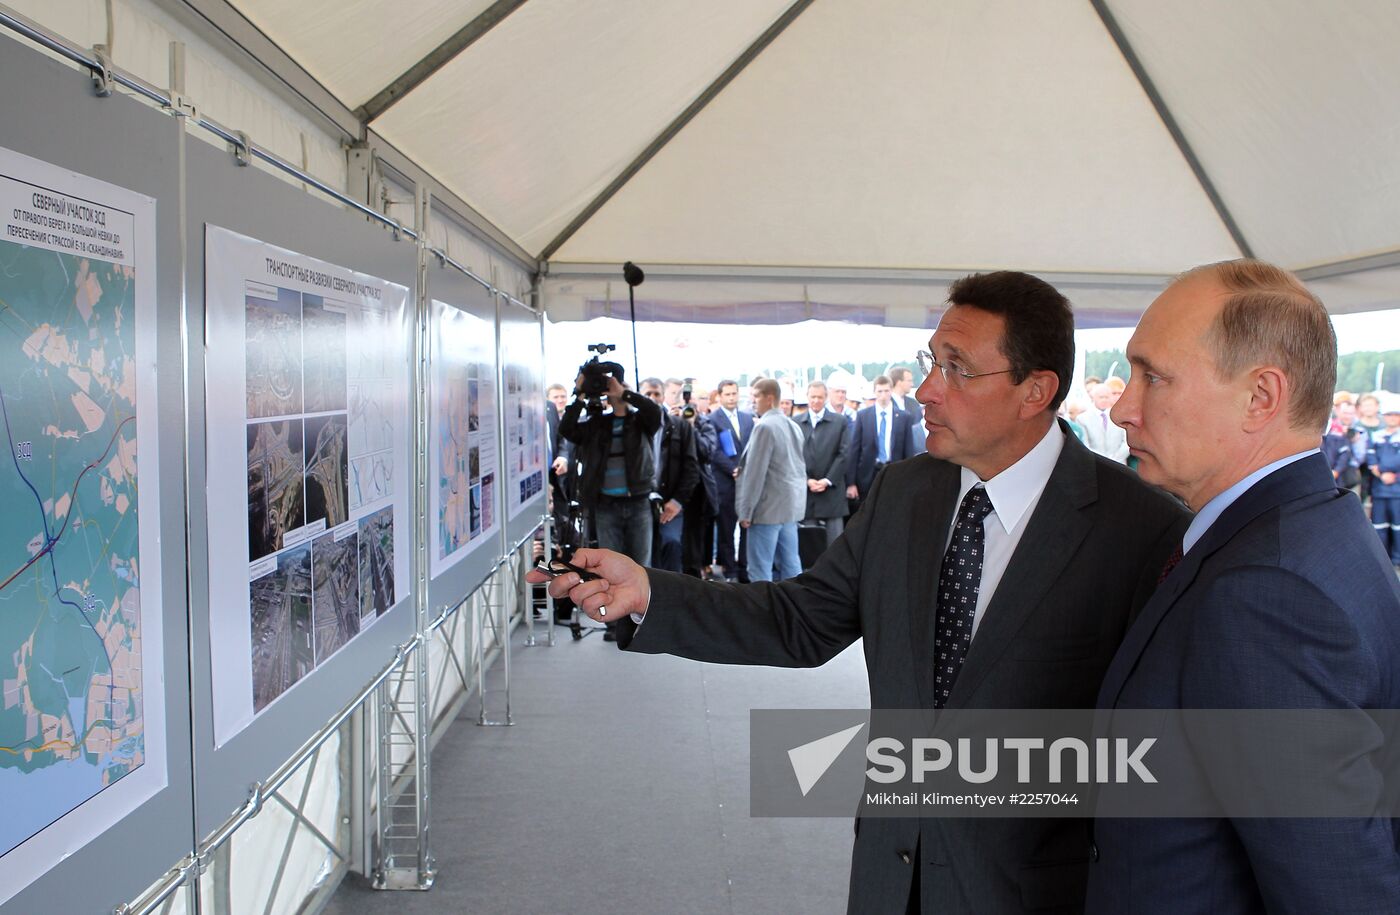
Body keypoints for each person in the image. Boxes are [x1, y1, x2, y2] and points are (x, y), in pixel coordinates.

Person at [532, 270, 1187, 914]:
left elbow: (1163, 750)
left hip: (1034, 887)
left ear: (1034, 390)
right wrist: (648, 590)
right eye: (931, 362)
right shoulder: (905, 491)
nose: (928, 389)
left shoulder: (1140, 528)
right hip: (890, 873)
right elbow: (799, 619)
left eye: (957, 368)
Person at [1087, 259, 1400, 913]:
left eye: (1154, 376)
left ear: (1262, 397)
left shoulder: (1265, 591)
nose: (1123, 407)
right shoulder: (1313, 528)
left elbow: (1336, 889)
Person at [557, 366, 662, 639]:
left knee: (641, 564)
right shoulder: (597, 424)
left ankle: (644, 619)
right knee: (611, 568)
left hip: (638, 502)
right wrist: (579, 393)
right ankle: (615, 623)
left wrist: (625, 394)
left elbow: (655, 413)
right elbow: (567, 429)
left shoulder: (641, 422)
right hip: (606, 505)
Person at [735, 378, 807, 581]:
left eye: (756, 396)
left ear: (769, 398)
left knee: (759, 570)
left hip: (766, 509)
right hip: (789, 508)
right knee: (792, 566)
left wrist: (746, 511)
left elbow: (755, 474)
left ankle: (762, 612)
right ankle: (796, 609)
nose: (753, 401)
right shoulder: (792, 425)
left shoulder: (764, 427)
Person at [640, 378, 699, 574]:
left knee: (671, 544)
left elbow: (691, 468)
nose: (652, 398)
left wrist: (677, 501)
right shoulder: (631, 427)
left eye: (656, 394)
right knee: (643, 555)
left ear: (663, 396)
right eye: (647, 394)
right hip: (638, 504)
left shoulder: (680, 427)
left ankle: (673, 597)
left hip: (670, 503)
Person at [708, 379, 754, 582]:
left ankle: (744, 567)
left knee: (746, 526)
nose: (731, 397)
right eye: (727, 394)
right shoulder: (712, 419)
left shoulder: (747, 418)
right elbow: (714, 450)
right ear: (719, 396)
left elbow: (753, 446)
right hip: (725, 482)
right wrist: (732, 469)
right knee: (726, 528)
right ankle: (729, 569)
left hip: (746, 483)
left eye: (734, 393)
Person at [845, 375, 915, 506]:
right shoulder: (863, 416)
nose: (883, 395)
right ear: (874, 392)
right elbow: (854, 450)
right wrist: (851, 483)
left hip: (895, 473)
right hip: (868, 475)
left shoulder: (904, 417)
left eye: (886, 391)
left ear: (891, 391)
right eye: (880, 391)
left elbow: (908, 452)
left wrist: (909, 480)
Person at [800, 380, 851, 547]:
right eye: (813, 397)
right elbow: (794, 457)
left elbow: (844, 454)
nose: (816, 401)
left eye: (820, 397)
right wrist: (806, 479)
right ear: (807, 397)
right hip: (807, 493)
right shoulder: (796, 423)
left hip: (832, 493)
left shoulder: (839, 422)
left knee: (835, 543)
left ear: (826, 398)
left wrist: (827, 480)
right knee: (809, 544)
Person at [1367, 395, 1400, 566]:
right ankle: (1383, 561)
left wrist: (1395, 476)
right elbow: (1371, 459)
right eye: (1388, 415)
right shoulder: (1376, 436)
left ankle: (1397, 559)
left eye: (1395, 414)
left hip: (1398, 492)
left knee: (1398, 527)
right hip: (1380, 490)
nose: (1392, 418)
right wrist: (1381, 474)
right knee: (1379, 526)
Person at [1077, 382, 1129, 463]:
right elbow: (1085, 445)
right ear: (1093, 397)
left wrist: (1114, 458)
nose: (1104, 400)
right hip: (1094, 464)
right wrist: (1103, 460)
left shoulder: (1120, 416)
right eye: (1101, 397)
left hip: (1119, 464)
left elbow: (1127, 442)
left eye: (1107, 397)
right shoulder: (1082, 419)